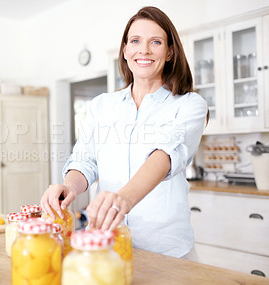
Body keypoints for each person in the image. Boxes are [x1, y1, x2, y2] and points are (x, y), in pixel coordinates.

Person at [40, 6, 207, 258]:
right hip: (108, 244)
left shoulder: (189, 105)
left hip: (166, 250)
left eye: (156, 42)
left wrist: (123, 200)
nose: (144, 50)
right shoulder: (101, 106)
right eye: (136, 41)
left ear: (170, 52)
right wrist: (69, 186)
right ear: (126, 50)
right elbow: (85, 161)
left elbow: (164, 157)